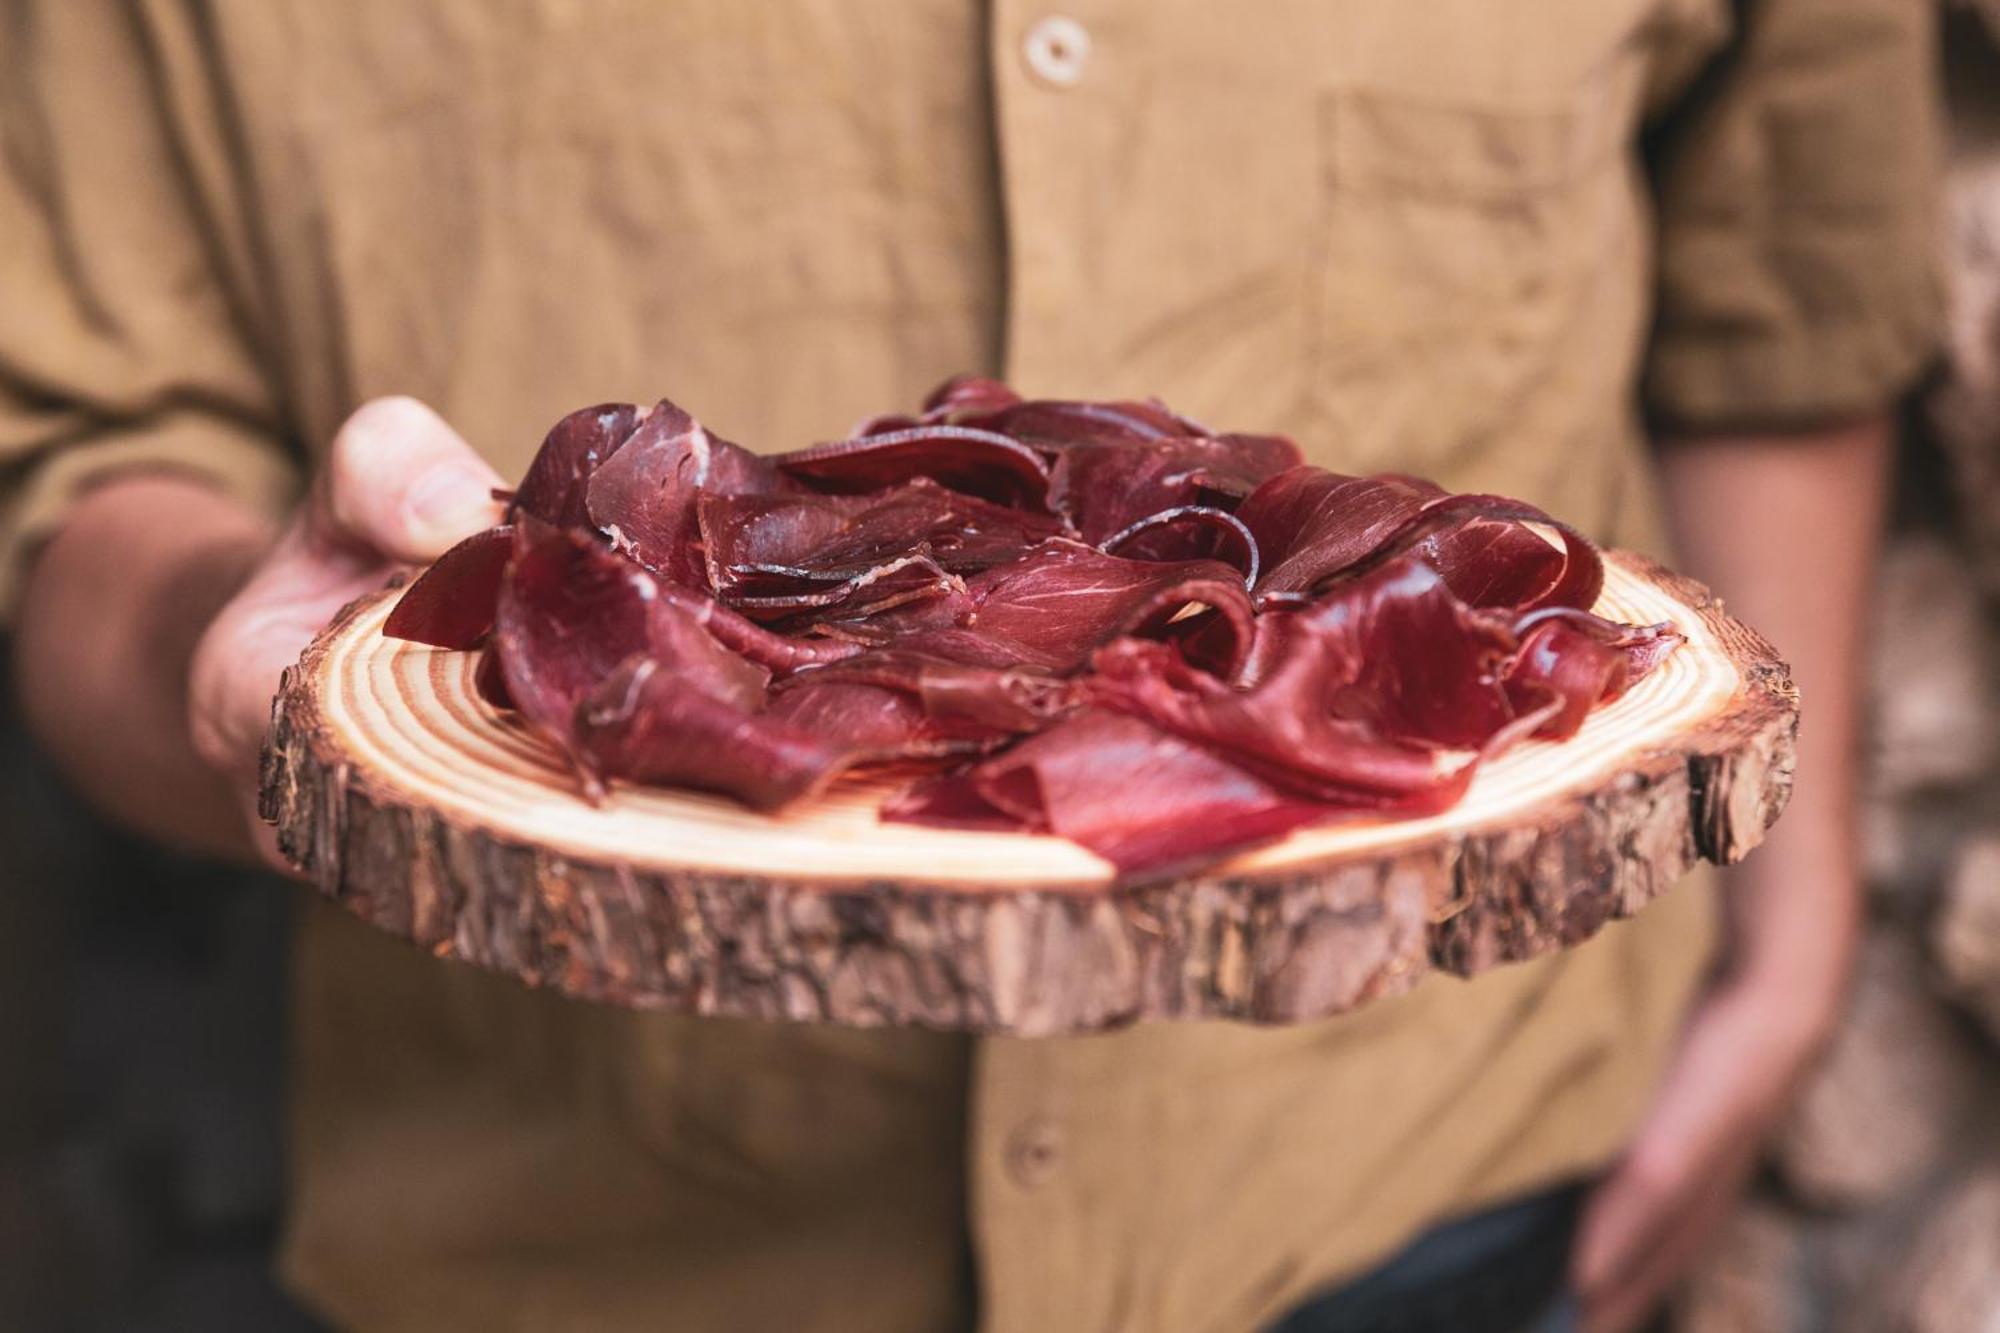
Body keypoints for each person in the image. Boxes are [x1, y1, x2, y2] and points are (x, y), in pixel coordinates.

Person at [2, 2, 1939, 1330]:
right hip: (569, 1248)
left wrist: (1787, 937)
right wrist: (247, 673)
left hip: (1435, 1176)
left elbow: (1773, 278)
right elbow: (83, 455)